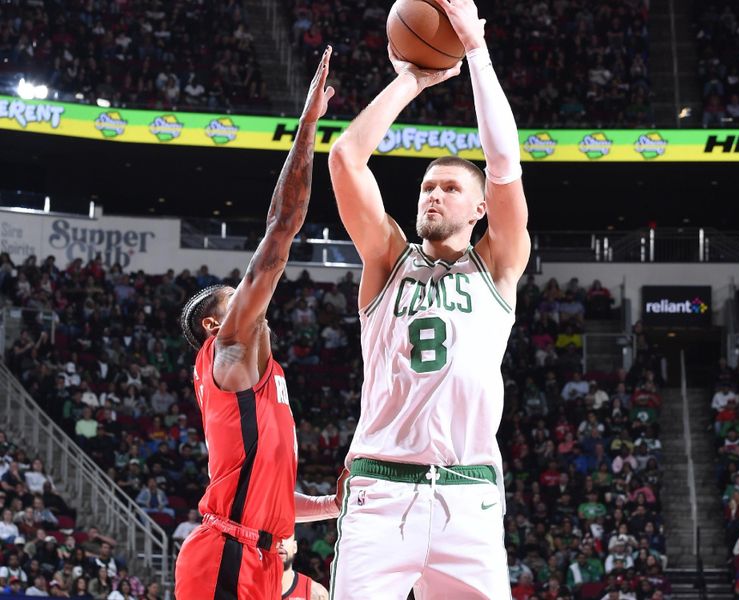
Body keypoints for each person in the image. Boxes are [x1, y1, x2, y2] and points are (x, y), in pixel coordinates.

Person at [327, 0, 530, 595]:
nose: (433, 196)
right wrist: (409, 81)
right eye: (426, 188)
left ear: (480, 207)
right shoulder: (387, 258)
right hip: (380, 492)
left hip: (468, 496)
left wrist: (477, 52)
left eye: (448, 188)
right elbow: (345, 159)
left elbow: (504, 161)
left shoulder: (497, 264)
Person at [174, 48, 342, 600]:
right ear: (213, 324)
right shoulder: (231, 347)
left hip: (261, 557)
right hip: (225, 555)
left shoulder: (257, 372)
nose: (249, 292)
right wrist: (309, 124)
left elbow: (269, 502)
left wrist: (332, 506)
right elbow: (283, 224)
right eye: (236, 292)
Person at [280, 534, 328, 600]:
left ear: (295, 547)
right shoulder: (261, 588)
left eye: (286, 537)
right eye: (274, 537)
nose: (281, 543)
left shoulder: (316, 593)